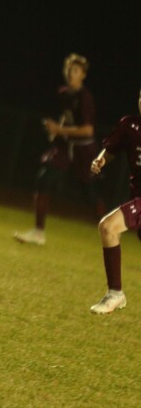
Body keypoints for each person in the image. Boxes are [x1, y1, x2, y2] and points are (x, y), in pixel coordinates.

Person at [14, 53, 105, 245]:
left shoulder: (85, 97)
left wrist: (60, 129)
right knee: (44, 178)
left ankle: (111, 232)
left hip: (83, 150)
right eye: (69, 70)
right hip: (65, 146)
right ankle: (38, 233)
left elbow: (88, 130)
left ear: (83, 75)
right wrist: (56, 131)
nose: (71, 73)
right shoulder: (64, 93)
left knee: (89, 195)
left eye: (76, 70)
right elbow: (67, 117)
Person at [88, 86, 141, 314]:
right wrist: (100, 160)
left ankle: (115, 293)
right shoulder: (129, 125)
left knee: (108, 227)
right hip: (137, 197)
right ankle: (115, 293)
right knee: (108, 228)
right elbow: (112, 149)